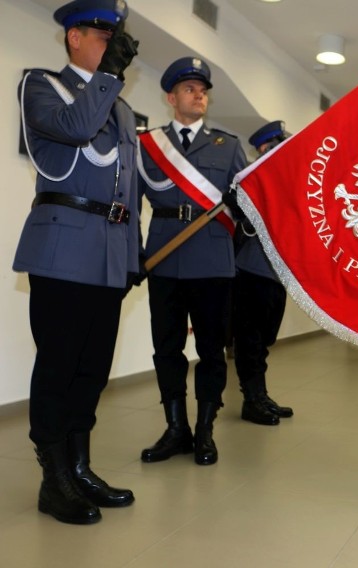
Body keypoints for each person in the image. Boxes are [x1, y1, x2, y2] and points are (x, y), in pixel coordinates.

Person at [14, 0, 139, 525]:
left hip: (110, 252)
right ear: (74, 37)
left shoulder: (125, 110)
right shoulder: (40, 86)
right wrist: (107, 77)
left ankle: (80, 467)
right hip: (63, 247)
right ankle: (53, 480)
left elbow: (128, 187)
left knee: (93, 368)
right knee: (59, 364)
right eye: (101, 34)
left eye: (115, 37)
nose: (111, 44)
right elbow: (76, 127)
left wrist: (132, 255)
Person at [138, 57, 248, 465]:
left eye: (203, 89)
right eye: (189, 88)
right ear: (171, 97)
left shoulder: (229, 146)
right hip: (164, 258)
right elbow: (132, 201)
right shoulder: (148, 145)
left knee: (212, 350)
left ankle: (204, 429)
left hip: (212, 262)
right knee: (165, 348)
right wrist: (134, 250)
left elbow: (247, 207)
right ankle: (175, 428)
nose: (199, 94)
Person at [232, 121, 294, 425]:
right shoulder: (253, 181)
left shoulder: (288, 180)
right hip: (251, 270)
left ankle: (261, 394)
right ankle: (251, 400)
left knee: (264, 339)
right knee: (250, 341)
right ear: (265, 150)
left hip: (276, 274)